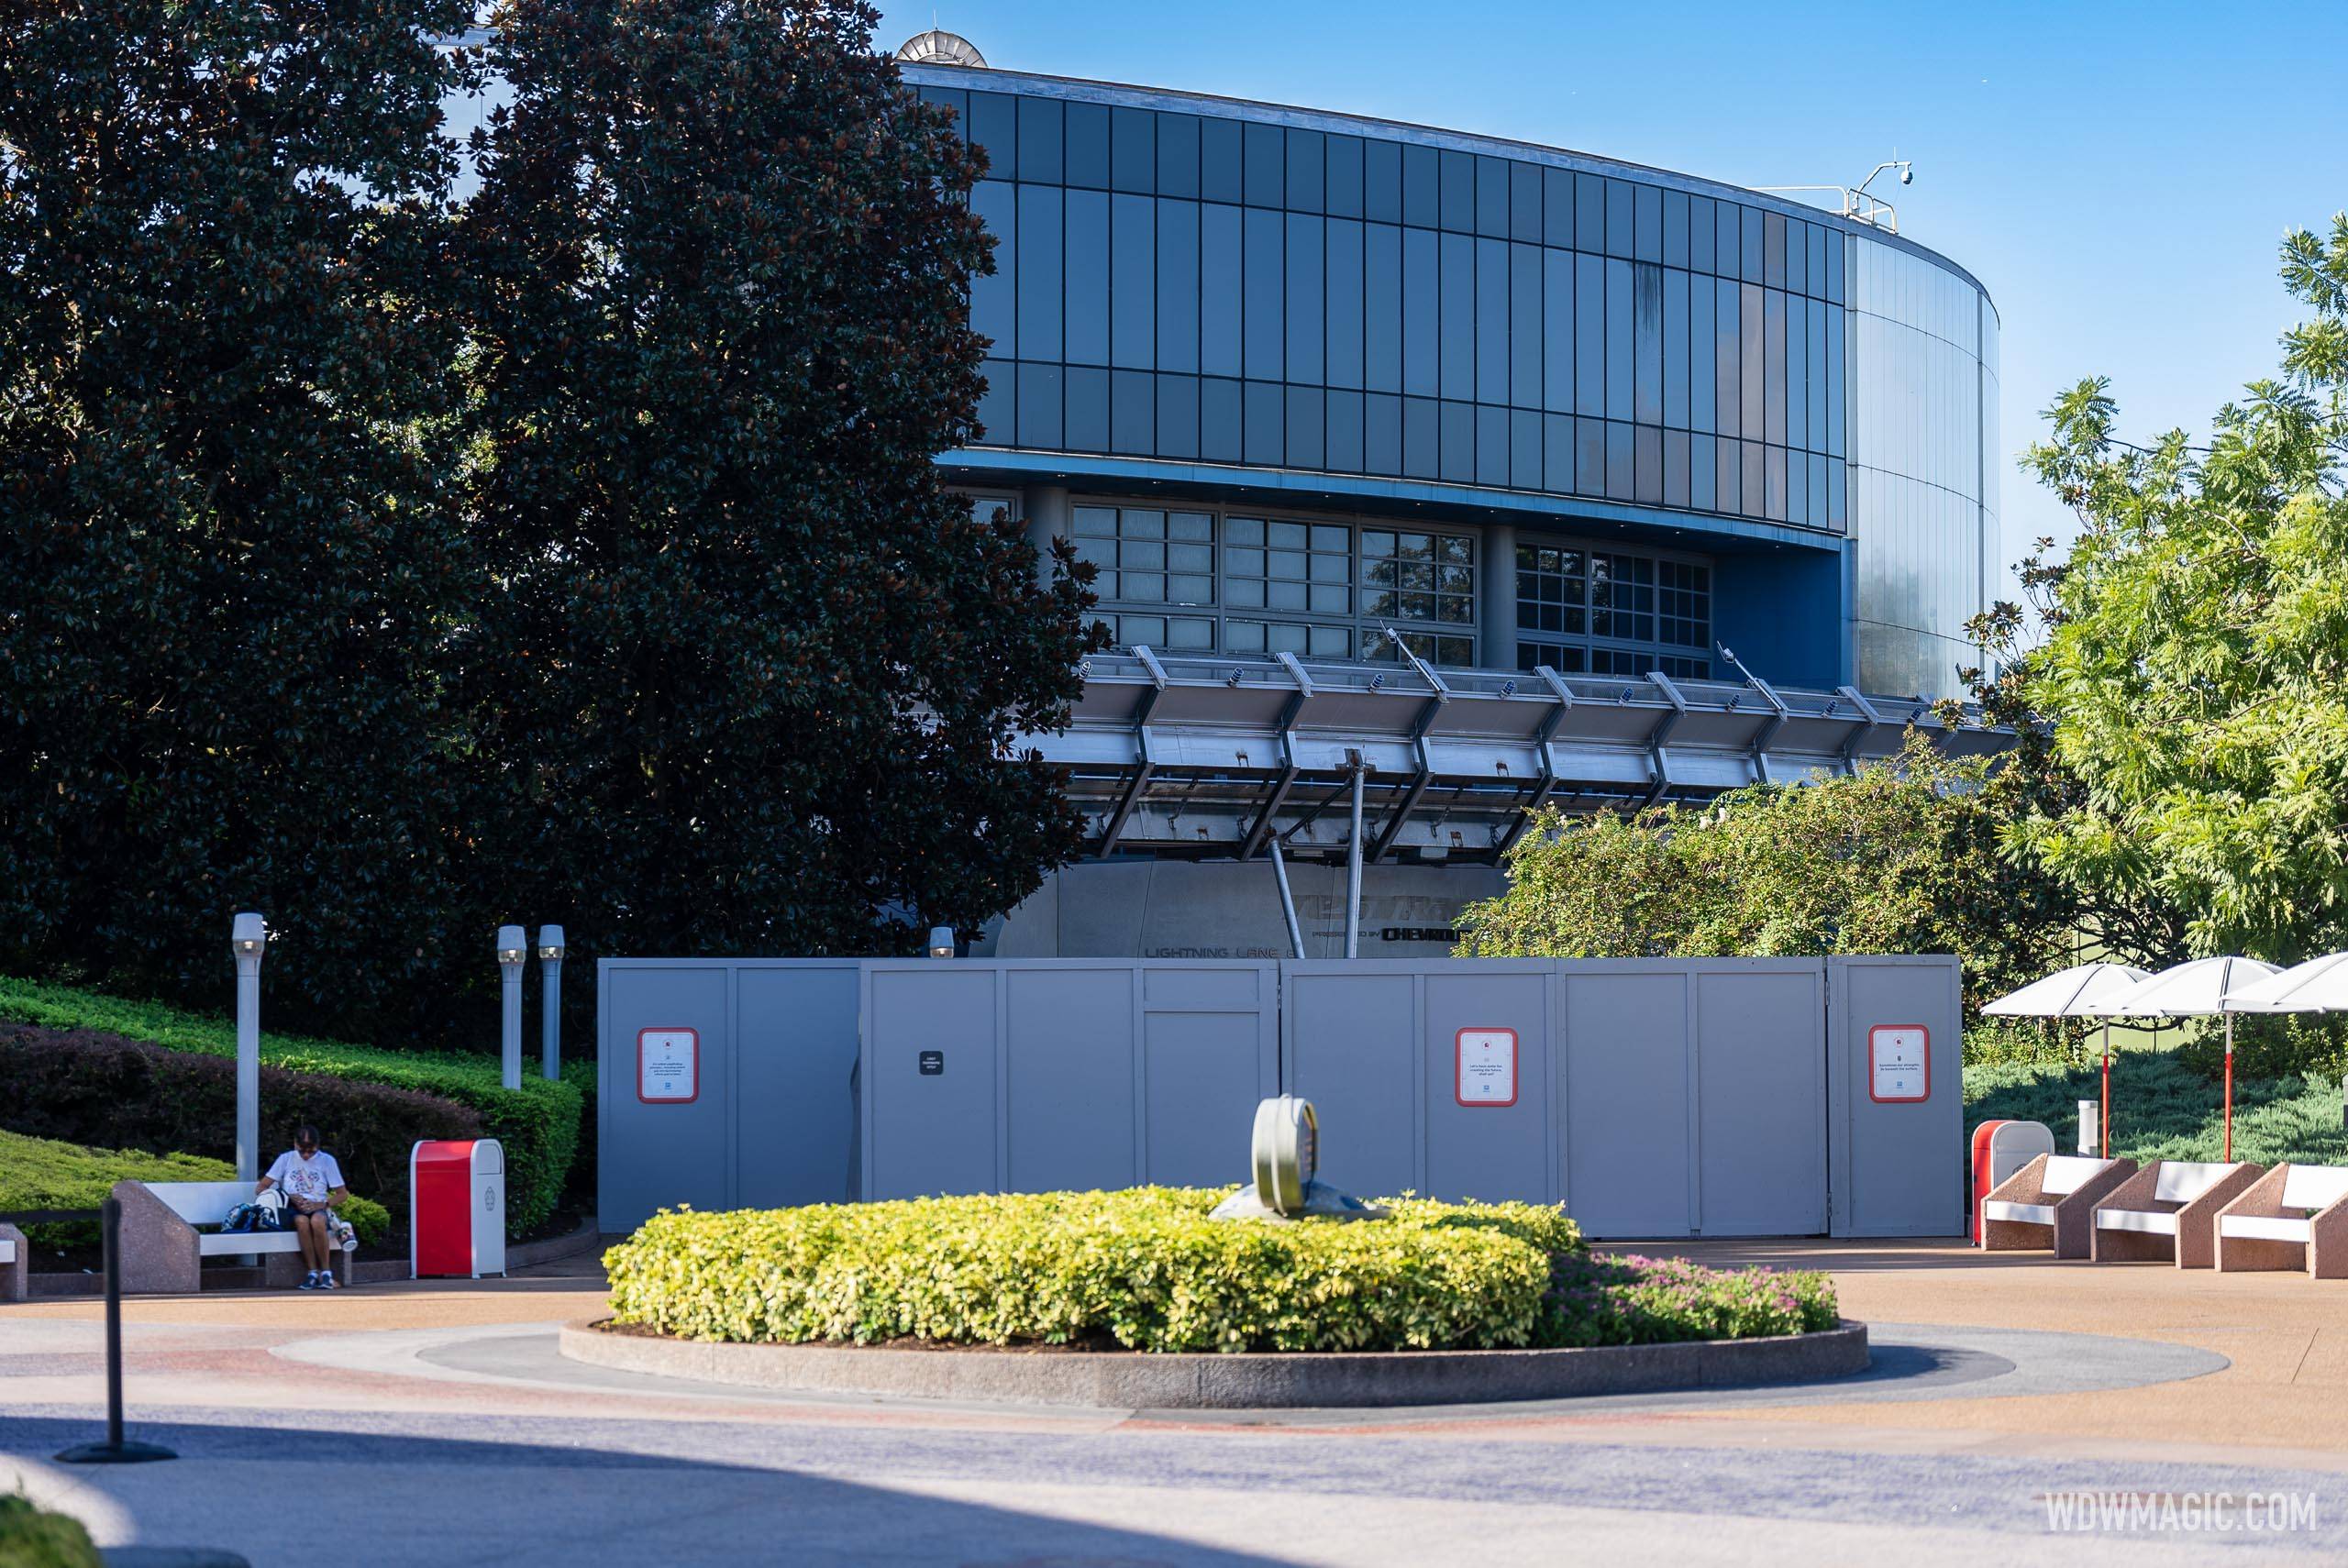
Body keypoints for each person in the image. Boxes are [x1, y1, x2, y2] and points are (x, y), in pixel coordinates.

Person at [260, 1124, 350, 1290]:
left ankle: (326, 1273)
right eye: (302, 1151)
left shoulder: (327, 1161)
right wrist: (288, 1196)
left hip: (318, 1206)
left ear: (318, 1146)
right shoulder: (286, 1159)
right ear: (295, 1144)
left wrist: (322, 1204)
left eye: (312, 1151)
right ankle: (312, 1272)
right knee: (302, 1222)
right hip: (292, 1208)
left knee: (317, 1221)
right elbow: (261, 1188)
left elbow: (342, 1194)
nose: (307, 1155)